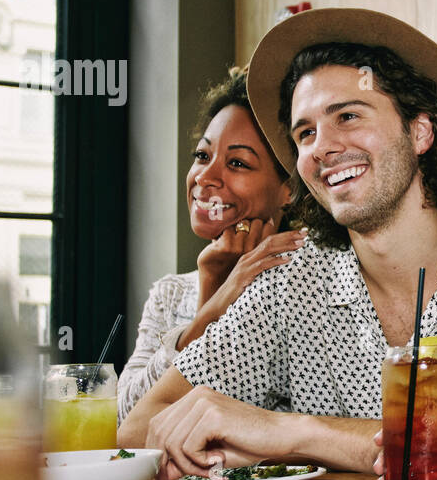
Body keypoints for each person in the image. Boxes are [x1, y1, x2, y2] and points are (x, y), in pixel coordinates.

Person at [118, 8, 437, 480]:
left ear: (420, 131)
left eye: (347, 116)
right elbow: (138, 429)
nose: (322, 146)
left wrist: (287, 433)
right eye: (305, 133)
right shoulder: (291, 280)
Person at [117, 68, 305, 422]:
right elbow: (127, 423)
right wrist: (210, 297)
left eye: (236, 163)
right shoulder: (171, 295)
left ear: (290, 189)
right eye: (202, 156)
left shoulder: (309, 284)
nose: (204, 176)